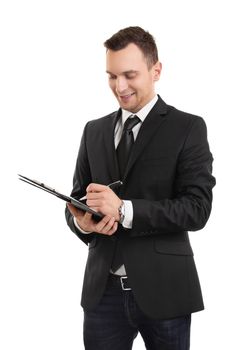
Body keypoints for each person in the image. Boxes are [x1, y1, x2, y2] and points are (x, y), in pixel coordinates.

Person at [65, 26, 216, 350]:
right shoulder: (94, 130)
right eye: (111, 76)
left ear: (156, 70)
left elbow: (197, 208)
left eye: (129, 75)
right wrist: (82, 222)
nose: (119, 87)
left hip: (166, 291)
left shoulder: (188, 127)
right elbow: (77, 197)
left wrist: (124, 210)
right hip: (101, 293)